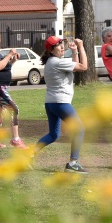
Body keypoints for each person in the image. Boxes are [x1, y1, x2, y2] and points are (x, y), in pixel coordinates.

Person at [32, 36, 88, 173]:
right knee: (79, 129)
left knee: (53, 135)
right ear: (51, 50)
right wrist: (81, 47)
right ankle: (73, 163)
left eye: (62, 44)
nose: (62, 47)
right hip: (60, 102)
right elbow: (83, 67)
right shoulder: (57, 62)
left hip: (51, 102)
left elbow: (74, 68)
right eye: (59, 45)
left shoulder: (53, 61)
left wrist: (74, 51)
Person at [0, 28, 27, 149]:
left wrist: (13, 60)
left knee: (1, 113)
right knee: (14, 109)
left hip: (2, 87)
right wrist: (9, 55)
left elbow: (4, 67)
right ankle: (15, 140)